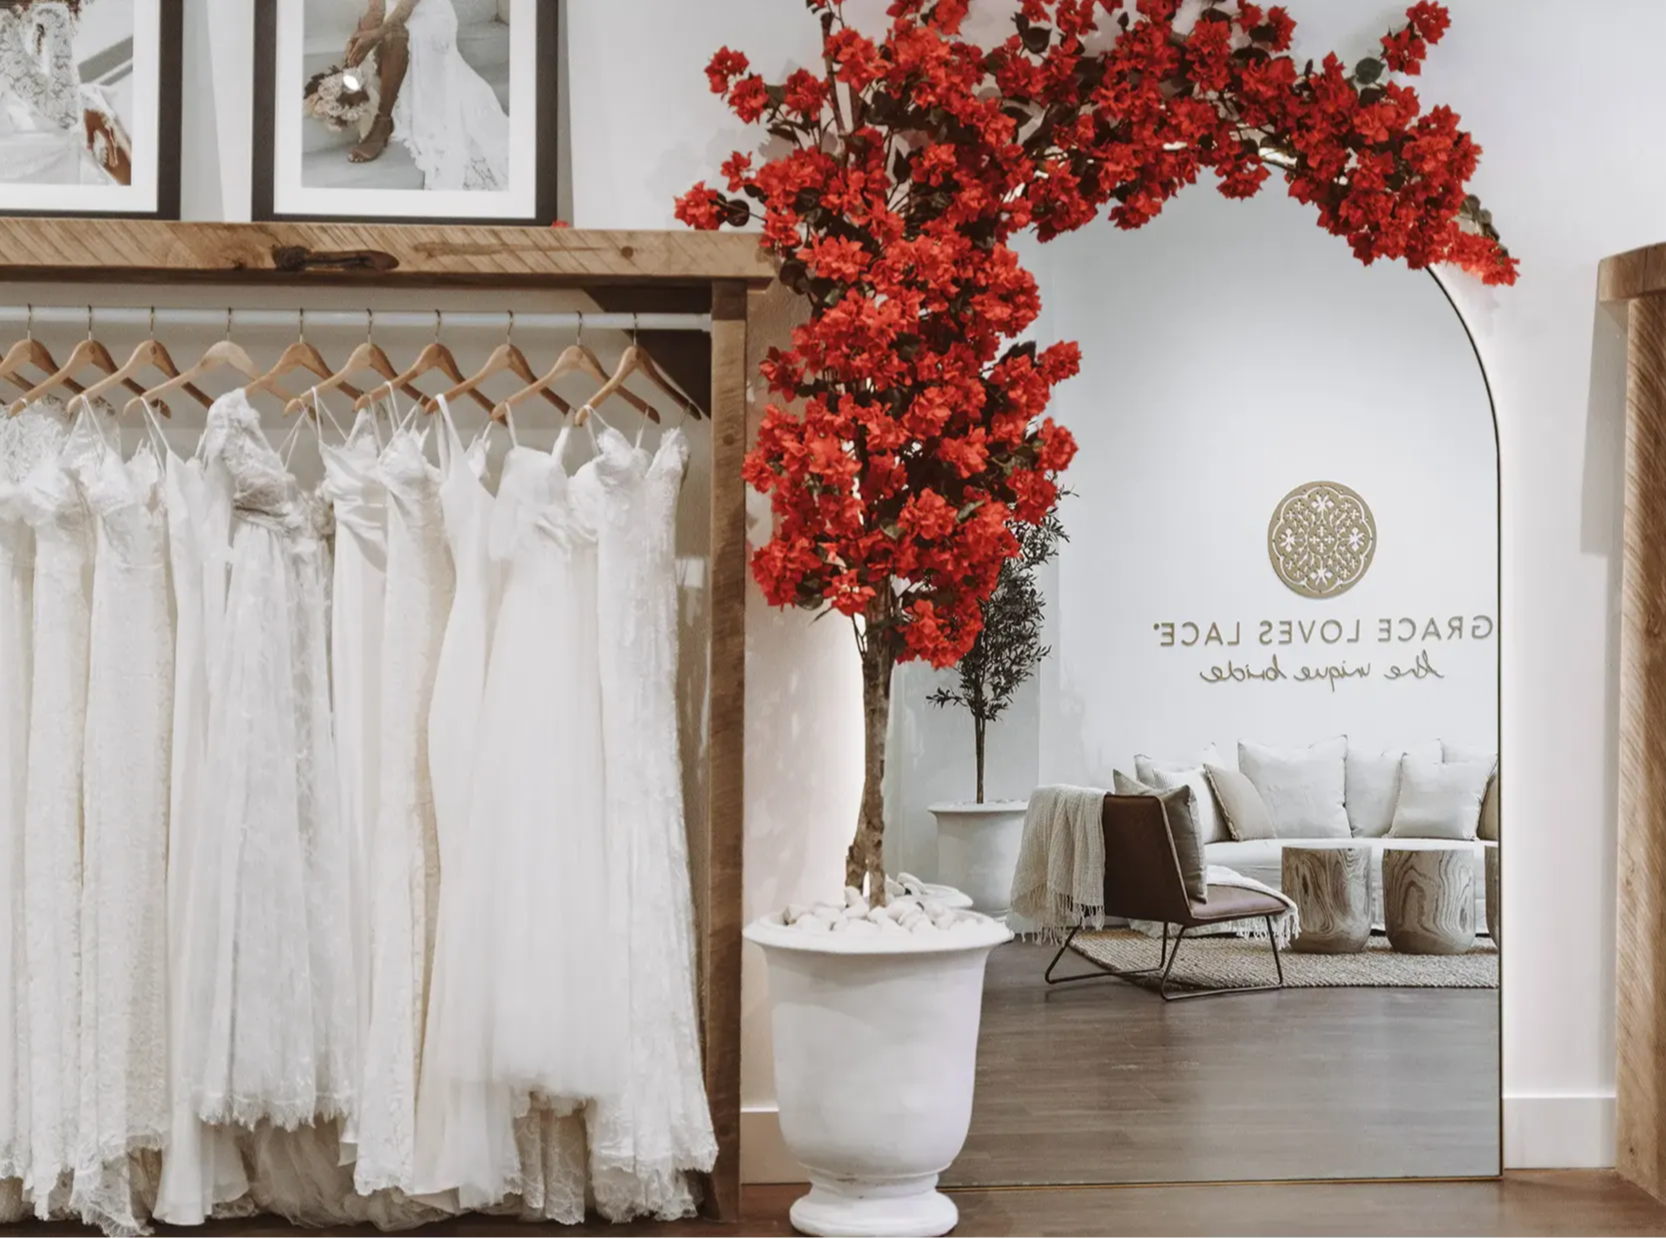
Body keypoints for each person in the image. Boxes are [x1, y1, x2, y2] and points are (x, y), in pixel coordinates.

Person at [342, 0, 509, 191]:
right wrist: (357, 40)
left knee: (394, 35)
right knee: (382, 39)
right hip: (394, 16)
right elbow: (377, 6)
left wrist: (376, 35)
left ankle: (383, 120)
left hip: (430, 17)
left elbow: (405, 8)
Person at [0, 0, 131, 186]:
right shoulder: (4, 23)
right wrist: (55, 14)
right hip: (11, 155)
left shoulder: (21, 19)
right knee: (90, 111)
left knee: (93, 105)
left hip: (23, 128)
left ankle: (141, 198)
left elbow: (41, 86)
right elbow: (65, 112)